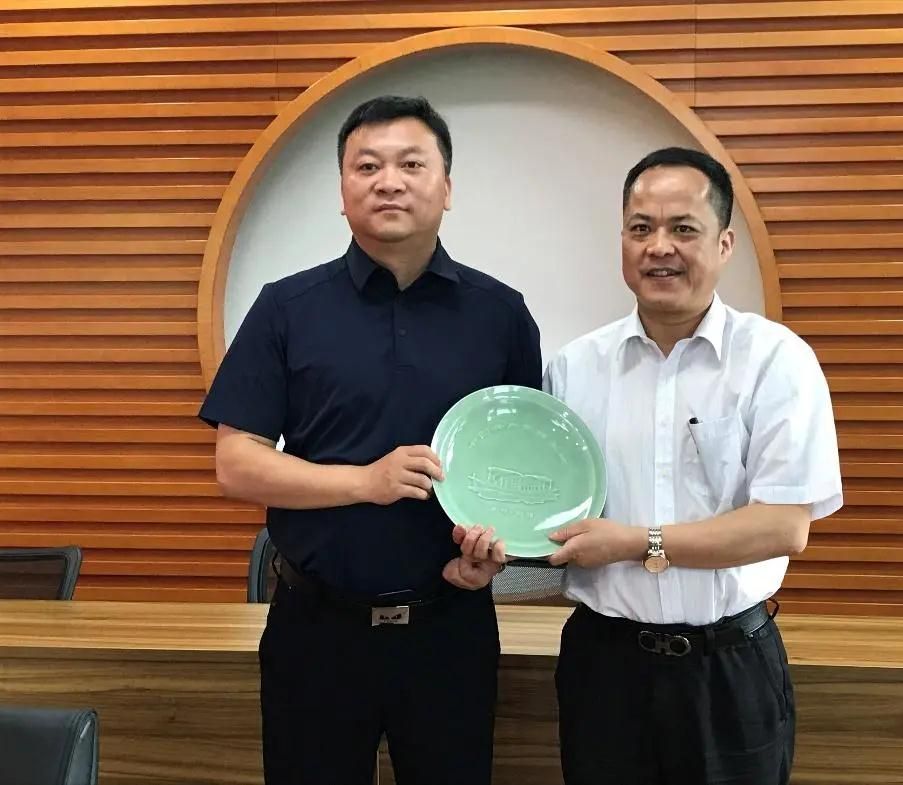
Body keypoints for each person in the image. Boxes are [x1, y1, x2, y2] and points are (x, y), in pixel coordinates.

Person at [199, 95, 540, 785]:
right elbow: (235, 464)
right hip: (316, 629)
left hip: (451, 628)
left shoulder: (502, 315)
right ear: (343, 192)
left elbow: (518, 473)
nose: (389, 181)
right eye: (367, 166)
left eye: (412, 164)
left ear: (447, 188)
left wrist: (491, 556)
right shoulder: (286, 308)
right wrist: (365, 481)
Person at [541, 147, 843, 784]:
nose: (659, 247)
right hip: (604, 668)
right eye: (641, 228)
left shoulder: (775, 361)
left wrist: (638, 542)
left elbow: (784, 526)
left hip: (727, 668)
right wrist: (492, 561)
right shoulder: (573, 369)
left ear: (724, 243)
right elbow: (553, 519)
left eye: (683, 228)